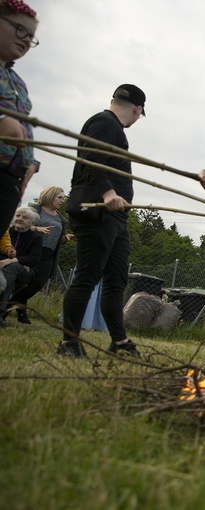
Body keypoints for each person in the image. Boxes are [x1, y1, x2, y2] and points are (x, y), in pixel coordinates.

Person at [58, 84, 147, 358]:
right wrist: (108, 193)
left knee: (116, 280)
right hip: (97, 212)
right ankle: (69, 342)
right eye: (139, 114)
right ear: (137, 109)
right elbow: (91, 160)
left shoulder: (114, 129)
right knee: (87, 276)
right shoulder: (104, 123)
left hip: (115, 218)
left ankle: (118, 342)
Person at [0, 0, 39, 238]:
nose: (26, 39)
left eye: (31, 37)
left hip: (10, 179)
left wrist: (31, 163)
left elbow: (21, 125)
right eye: (20, 29)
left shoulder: (18, 81)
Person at [10, 186, 72, 323]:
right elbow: (18, 225)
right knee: (24, 282)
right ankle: (21, 314)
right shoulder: (35, 209)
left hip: (47, 255)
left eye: (63, 198)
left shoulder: (61, 218)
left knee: (38, 283)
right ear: (50, 195)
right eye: (59, 197)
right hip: (30, 251)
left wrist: (65, 238)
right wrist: (36, 228)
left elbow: (59, 238)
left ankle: (8, 304)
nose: (62, 200)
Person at [0, 206, 40, 326]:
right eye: (18, 216)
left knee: (13, 268)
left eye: (25, 217)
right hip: (5, 268)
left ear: (32, 223)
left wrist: (13, 261)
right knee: (10, 276)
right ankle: (2, 313)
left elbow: (33, 260)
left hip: (26, 272)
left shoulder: (35, 238)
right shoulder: (6, 232)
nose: (20, 219)